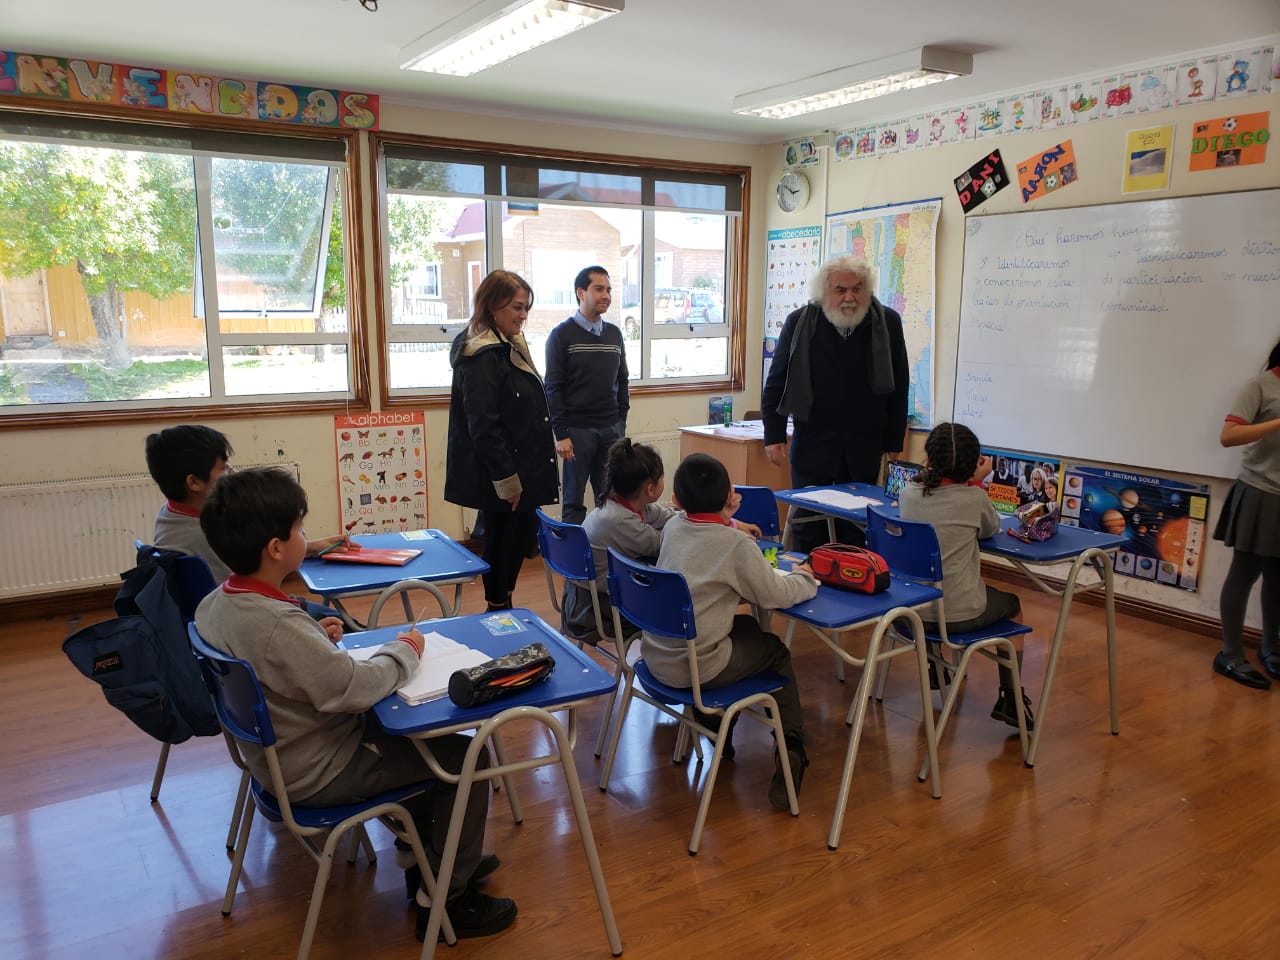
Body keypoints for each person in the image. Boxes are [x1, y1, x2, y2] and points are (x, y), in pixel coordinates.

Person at [194, 467, 515, 941]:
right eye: (300, 528)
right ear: (276, 549)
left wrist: (313, 643)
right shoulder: (278, 625)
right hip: (320, 767)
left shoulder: (215, 604)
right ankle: (448, 899)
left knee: (429, 747)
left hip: (278, 760)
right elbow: (353, 688)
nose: (306, 535)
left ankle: (437, 859)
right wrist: (405, 649)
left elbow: (284, 662)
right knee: (467, 757)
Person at [650, 452, 818, 810]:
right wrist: (806, 576)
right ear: (730, 496)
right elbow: (775, 595)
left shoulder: (673, 528)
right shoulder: (736, 545)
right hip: (698, 669)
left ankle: (716, 723)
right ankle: (791, 748)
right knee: (775, 652)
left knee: (744, 625)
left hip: (658, 659)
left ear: (677, 501)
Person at [761, 256, 909, 551]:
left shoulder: (887, 323)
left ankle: (852, 587)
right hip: (812, 446)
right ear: (824, 291)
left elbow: (900, 384)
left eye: (857, 289)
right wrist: (774, 435)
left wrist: (895, 439)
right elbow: (777, 381)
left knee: (856, 530)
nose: (850, 298)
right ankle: (806, 586)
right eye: (841, 290)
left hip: (864, 447)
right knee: (808, 526)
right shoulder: (800, 322)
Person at [898, 422, 1035, 730]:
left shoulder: (908, 494)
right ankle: (1011, 698)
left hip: (910, 612)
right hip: (958, 614)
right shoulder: (973, 498)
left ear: (929, 459)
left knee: (932, 581)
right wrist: (978, 482)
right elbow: (990, 528)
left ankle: (936, 668)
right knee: (1014, 607)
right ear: (974, 464)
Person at [445, 270, 559, 611]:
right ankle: (497, 606)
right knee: (502, 541)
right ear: (493, 306)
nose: (523, 315)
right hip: (503, 472)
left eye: (526, 308)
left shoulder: (506, 345)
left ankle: (502, 601)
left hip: (518, 465)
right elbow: (483, 425)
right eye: (517, 307)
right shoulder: (481, 355)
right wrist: (507, 480)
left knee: (519, 537)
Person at [146, 424, 349, 588]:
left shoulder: (171, 515)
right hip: (253, 624)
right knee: (345, 624)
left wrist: (311, 547)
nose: (232, 472)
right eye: (223, 468)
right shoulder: (205, 536)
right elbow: (249, 595)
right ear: (194, 483)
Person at [1211, 336, 1280, 690]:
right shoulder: (1261, 385)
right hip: (1261, 494)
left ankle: (1272, 648)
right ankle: (1231, 654)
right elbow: (1229, 435)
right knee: (1244, 573)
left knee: (1278, 578)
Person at [561, 437, 675, 644]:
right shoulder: (620, 520)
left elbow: (663, 516)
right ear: (650, 489)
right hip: (595, 614)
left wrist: (684, 517)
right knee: (674, 610)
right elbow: (666, 545)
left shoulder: (619, 502)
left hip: (586, 598)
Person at [544, 266, 629, 525]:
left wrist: (620, 423)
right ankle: (573, 561)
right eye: (599, 289)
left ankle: (606, 555)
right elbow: (553, 387)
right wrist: (561, 434)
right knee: (573, 500)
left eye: (609, 290)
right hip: (576, 432)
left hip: (611, 429)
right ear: (581, 293)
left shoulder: (614, 333)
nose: (606, 295)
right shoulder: (561, 335)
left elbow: (622, 380)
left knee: (612, 498)